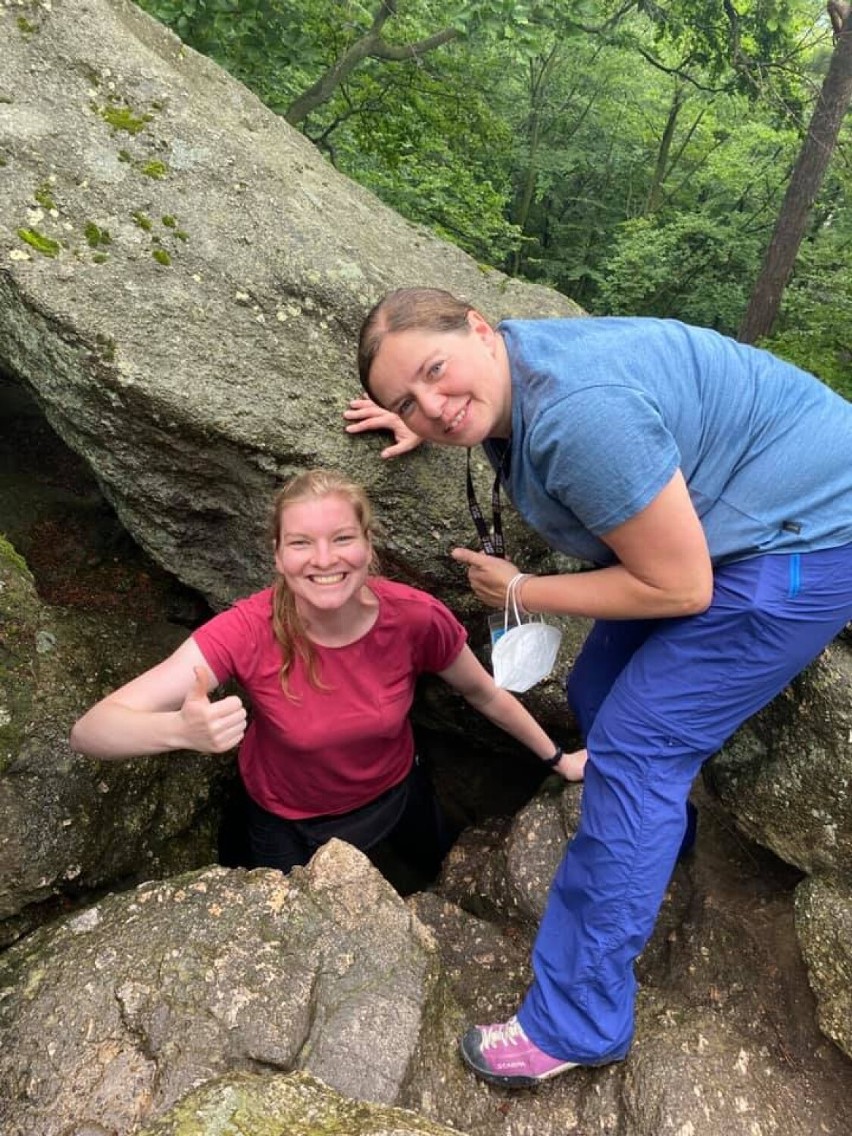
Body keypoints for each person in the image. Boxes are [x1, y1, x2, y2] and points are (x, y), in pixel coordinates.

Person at [345, 288, 852, 1088]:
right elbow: (463, 398)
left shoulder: (581, 418)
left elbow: (680, 589)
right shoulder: (510, 372)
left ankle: (577, 1022)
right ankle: (659, 843)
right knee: (599, 685)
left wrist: (520, 590)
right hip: (745, 508)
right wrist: (429, 413)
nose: (436, 407)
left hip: (805, 540)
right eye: (408, 398)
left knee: (635, 752)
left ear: (480, 328)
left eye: (436, 374)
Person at [71, 468, 583, 884]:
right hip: (286, 822)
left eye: (342, 538)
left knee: (433, 870)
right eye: (301, 543)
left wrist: (557, 758)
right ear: (277, 555)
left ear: (368, 545)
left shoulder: (415, 618)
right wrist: (178, 732)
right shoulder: (247, 631)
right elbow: (93, 730)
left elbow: (483, 693)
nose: (323, 560)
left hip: (399, 794)